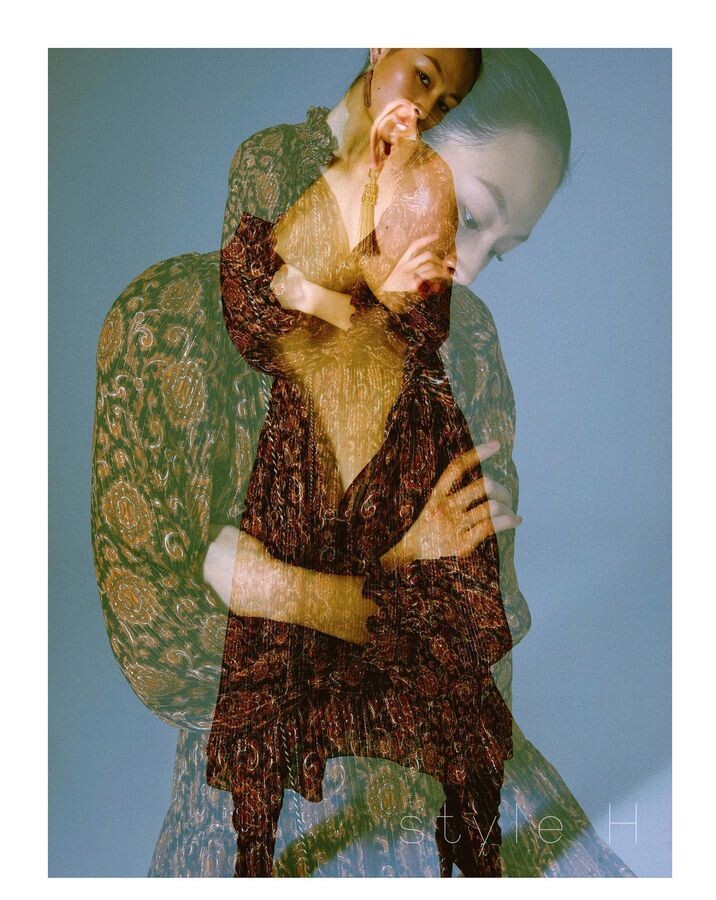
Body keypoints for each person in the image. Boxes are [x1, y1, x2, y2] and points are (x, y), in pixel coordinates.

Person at [91, 49, 635, 877]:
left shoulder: (465, 344)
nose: (470, 268)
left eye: (502, 248)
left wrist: (274, 586)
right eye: (473, 215)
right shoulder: (167, 326)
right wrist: (394, 576)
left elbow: (481, 644)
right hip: (264, 818)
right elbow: (164, 657)